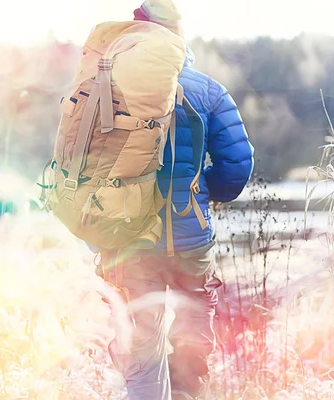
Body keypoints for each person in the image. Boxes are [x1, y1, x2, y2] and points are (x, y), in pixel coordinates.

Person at [98, 2, 254, 399]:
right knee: (192, 336)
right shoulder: (208, 90)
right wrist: (204, 192)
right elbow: (237, 166)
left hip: (132, 241)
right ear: (179, 36)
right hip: (190, 238)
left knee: (142, 345)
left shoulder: (109, 88)